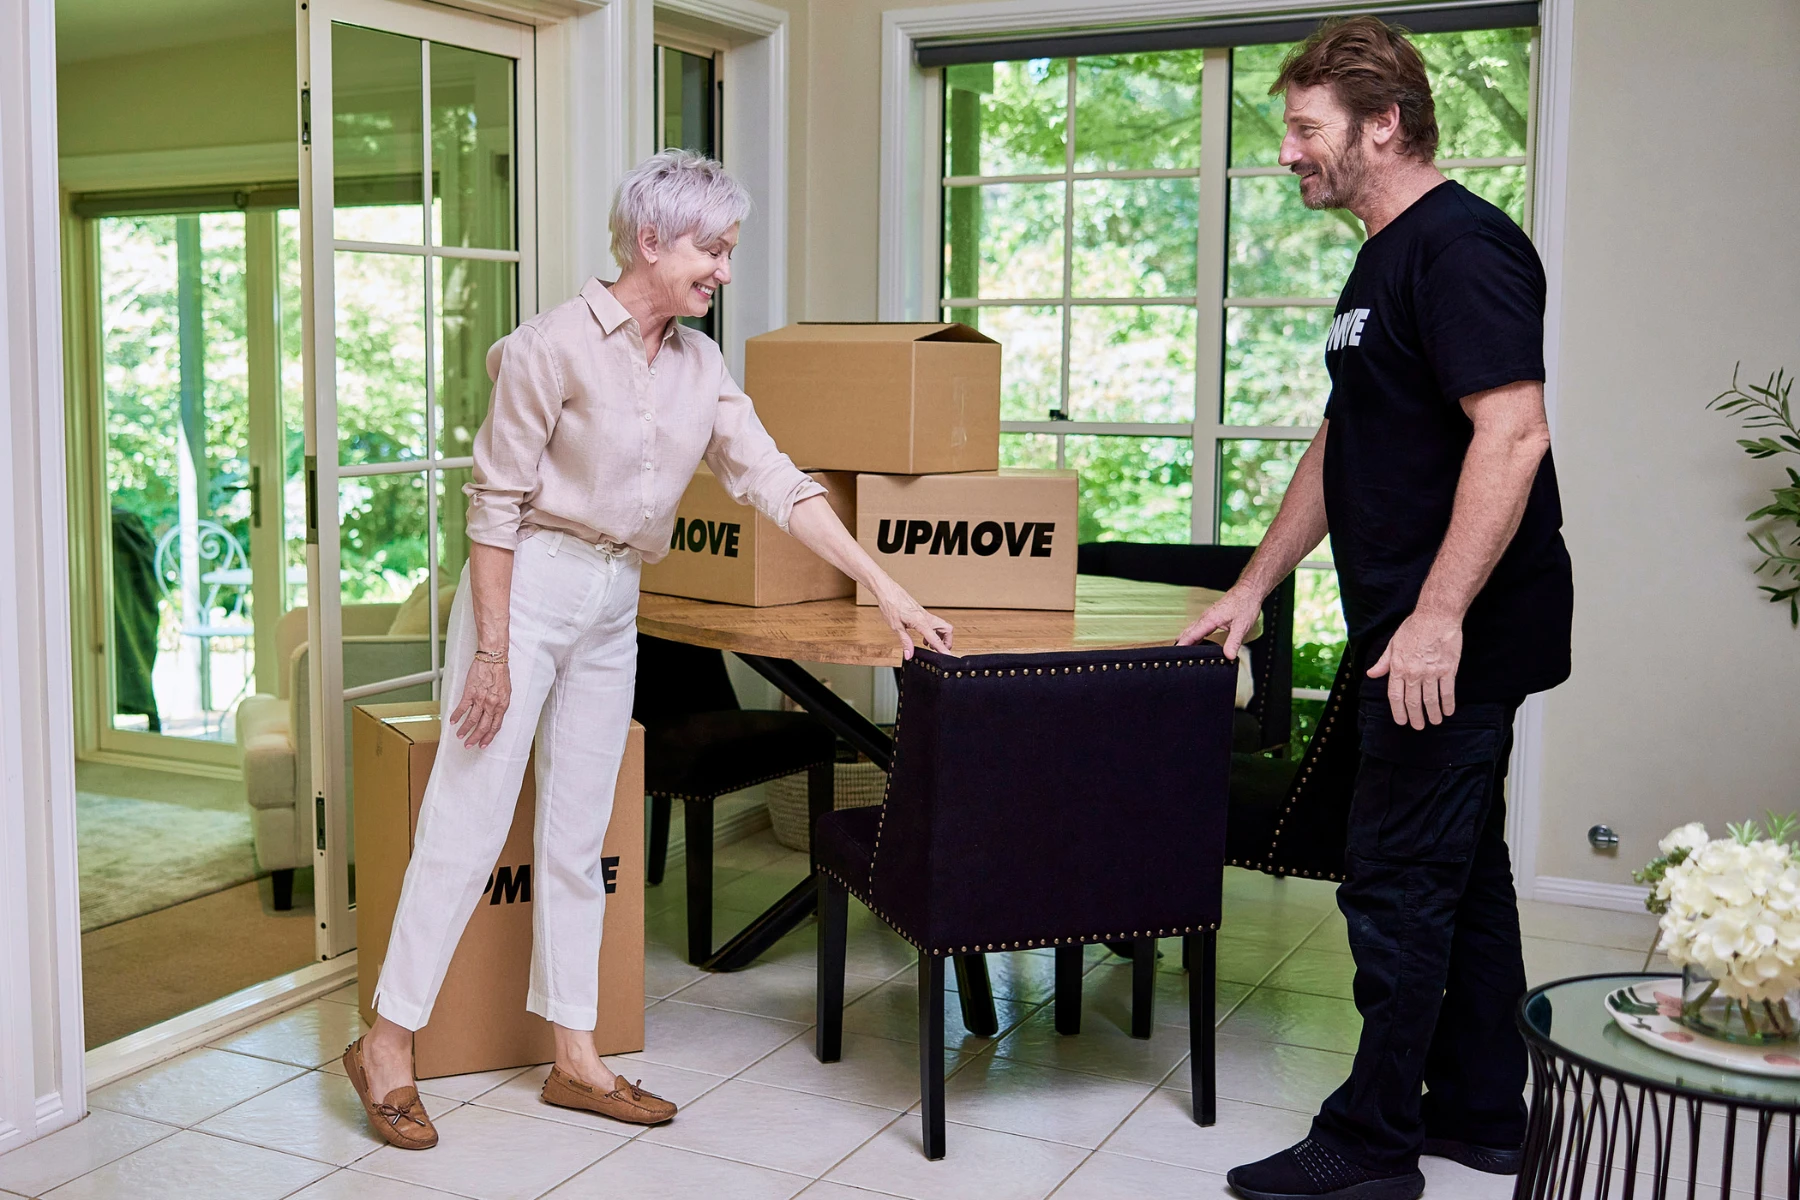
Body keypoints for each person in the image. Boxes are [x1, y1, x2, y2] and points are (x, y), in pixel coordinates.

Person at [341, 150, 955, 1150]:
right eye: (712, 249)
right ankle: (388, 1044)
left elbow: (777, 481)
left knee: (582, 834)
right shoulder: (549, 348)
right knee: (467, 818)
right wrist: (491, 655)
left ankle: (576, 1059)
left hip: (614, 597)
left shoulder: (699, 367)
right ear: (651, 241)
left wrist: (887, 586)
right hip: (526, 585)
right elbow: (492, 511)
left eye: (729, 251)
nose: (722, 269)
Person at [1180, 17, 1572, 1200]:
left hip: (1448, 636)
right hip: (1415, 626)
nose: (1287, 153)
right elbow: (1346, 438)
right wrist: (1252, 585)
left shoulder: (1462, 247)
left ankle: (1370, 1143)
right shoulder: (1382, 257)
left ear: (1382, 122)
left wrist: (1439, 615)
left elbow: (1515, 430)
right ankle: (1486, 1114)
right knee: (1463, 877)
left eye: (1305, 129)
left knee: (1394, 880)